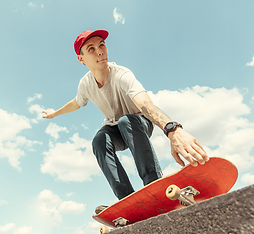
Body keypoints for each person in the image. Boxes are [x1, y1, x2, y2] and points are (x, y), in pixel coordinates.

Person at [42, 29, 209, 204]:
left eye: (102, 45)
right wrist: (55, 113)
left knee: (126, 120)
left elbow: (145, 104)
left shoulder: (122, 74)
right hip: (115, 130)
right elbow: (76, 103)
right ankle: (127, 199)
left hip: (138, 123)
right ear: (81, 59)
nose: (100, 51)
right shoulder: (85, 84)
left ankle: (153, 183)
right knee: (99, 141)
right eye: (91, 49)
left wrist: (172, 129)